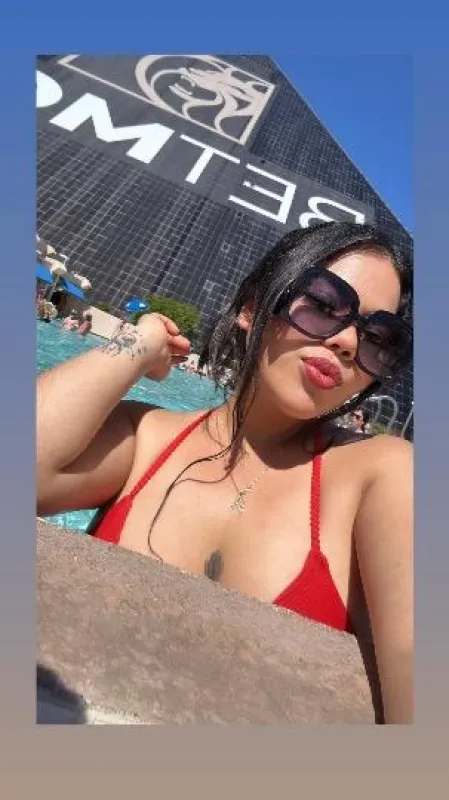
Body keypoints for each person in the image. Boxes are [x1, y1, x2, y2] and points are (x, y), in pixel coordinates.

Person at [36, 222, 413, 723]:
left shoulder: (386, 476)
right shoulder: (145, 437)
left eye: (379, 337)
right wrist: (142, 342)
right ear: (252, 308)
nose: (347, 341)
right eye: (324, 304)